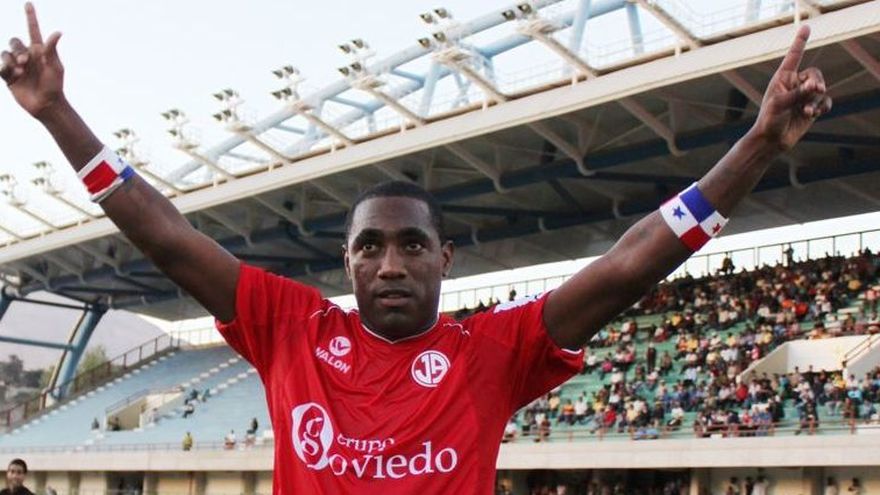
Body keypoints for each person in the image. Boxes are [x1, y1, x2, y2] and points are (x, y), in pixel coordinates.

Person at [0, 5, 832, 494]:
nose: (390, 263)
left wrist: (758, 144)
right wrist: (58, 116)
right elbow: (167, 235)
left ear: (446, 257)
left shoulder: (492, 351)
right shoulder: (292, 329)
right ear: (348, 261)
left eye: (411, 244)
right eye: (369, 246)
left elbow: (630, 260)